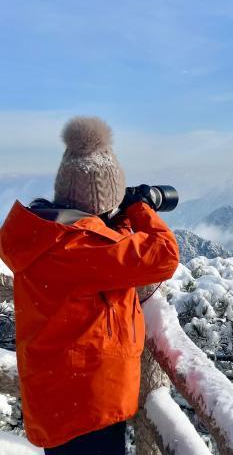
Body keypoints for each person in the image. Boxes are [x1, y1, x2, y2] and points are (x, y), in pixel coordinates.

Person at [0, 117, 179, 454]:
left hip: (57, 401)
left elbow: (105, 247)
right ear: (101, 204)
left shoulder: (45, 237)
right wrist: (140, 207)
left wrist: (116, 216)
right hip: (91, 406)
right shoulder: (83, 249)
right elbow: (164, 255)